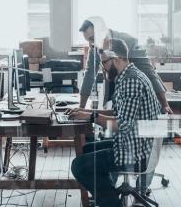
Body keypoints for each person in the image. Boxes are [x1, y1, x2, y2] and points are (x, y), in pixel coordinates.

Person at [69, 39, 161, 207]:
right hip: (134, 143)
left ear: (116, 58)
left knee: (79, 166)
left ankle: (110, 202)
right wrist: (88, 112)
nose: (103, 67)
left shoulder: (131, 81)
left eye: (104, 62)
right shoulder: (127, 76)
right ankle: (107, 195)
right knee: (85, 150)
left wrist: (90, 118)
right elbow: (120, 113)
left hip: (136, 152)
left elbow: (122, 125)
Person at [78, 17, 172, 114]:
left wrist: (165, 105)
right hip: (113, 91)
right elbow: (89, 75)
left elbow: (149, 73)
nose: (90, 44)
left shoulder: (130, 41)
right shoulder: (94, 48)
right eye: (88, 41)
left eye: (92, 39)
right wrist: (81, 108)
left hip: (133, 89)